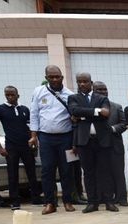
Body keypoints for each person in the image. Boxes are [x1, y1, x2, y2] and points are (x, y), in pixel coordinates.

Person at [29, 65, 76, 215]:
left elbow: (75, 118)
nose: (55, 79)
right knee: (47, 170)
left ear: (62, 77)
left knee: (66, 170)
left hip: (65, 137)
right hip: (46, 138)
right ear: (46, 78)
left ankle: (67, 201)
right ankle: (50, 203)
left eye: (57, 77)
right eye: (51, 77)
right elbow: (34, 114)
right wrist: (33, 135)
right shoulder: (38, 92)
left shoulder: (70, 95)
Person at [68, 72, 117, 213]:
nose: (82, 84)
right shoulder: (73, 98)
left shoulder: (101, 98)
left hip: (102, 140)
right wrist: (96, 111)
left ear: (91, 82)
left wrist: (83, 115)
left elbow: (106, 113)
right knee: (88, 173)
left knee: (105, 172)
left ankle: (109, 201)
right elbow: (74, 110)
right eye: (79, 82)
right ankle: (92, 203)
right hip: (84, 141)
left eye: (85, 81)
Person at [0, 86, 41, 209]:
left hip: (26, 145)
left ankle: (35, 197)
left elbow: (30, 127)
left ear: (18, 95)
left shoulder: (24, 109)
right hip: (11, 146)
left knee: (31, 172)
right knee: (12, 174)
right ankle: (15, 201)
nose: (9, 97)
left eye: (12, 95)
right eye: (7, 95)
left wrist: (34, 142)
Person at [90, 82, 128, 207]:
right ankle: (103, 198)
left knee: (118, 171)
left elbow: (123, 124)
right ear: (93, 91)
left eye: (104, 89)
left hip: (115, 145)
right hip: (98, 145)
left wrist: (111, 129)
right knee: (101, 172)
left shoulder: (116, 107)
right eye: (99, 90)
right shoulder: (90, 108)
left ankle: (121, 198)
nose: (102, 92)